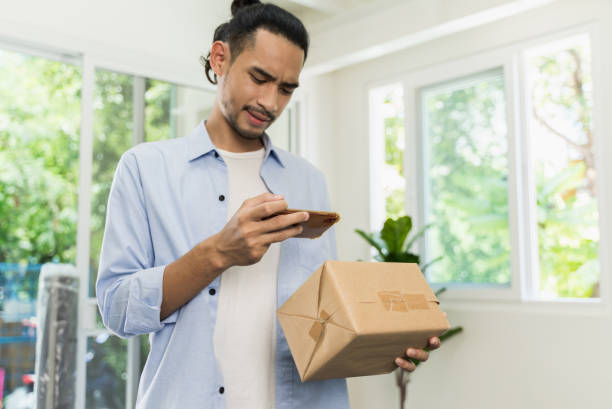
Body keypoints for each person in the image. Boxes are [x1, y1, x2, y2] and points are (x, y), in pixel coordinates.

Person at [96, 1, 441, 408]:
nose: (270, 102)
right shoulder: (146, 168)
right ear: (220, 58)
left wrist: (383, 340)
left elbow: (320, 317)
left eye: (286, 88)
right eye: (259, 78)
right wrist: (218, 253)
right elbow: (117, 309)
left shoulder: (308, 180)